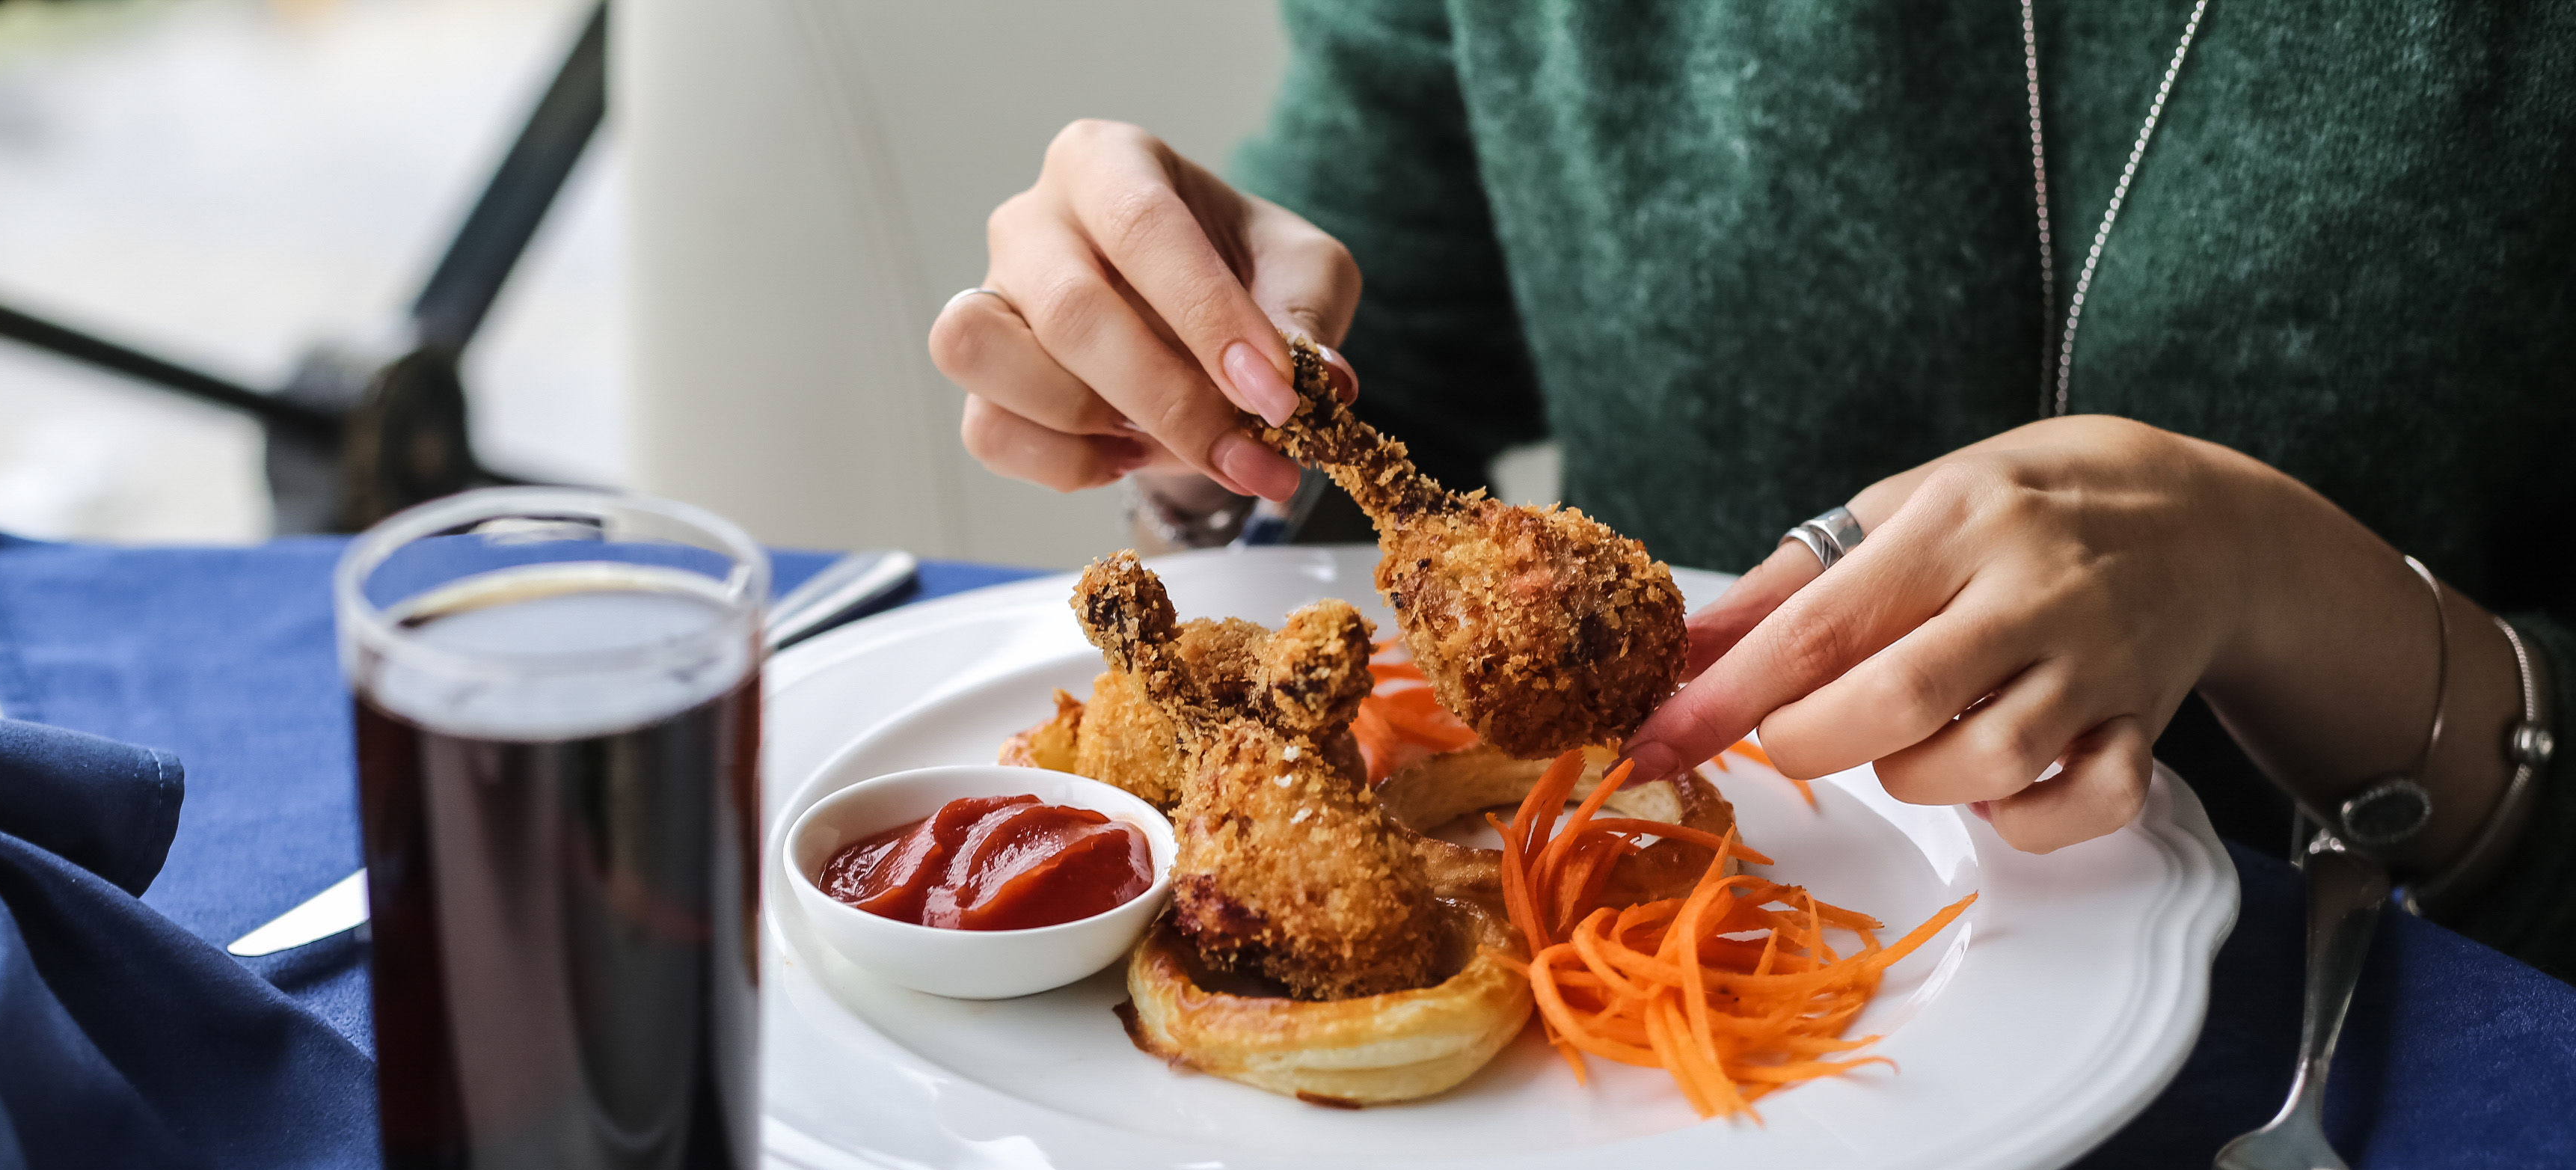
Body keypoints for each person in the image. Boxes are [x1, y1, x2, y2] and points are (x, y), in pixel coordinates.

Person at [927, 0, 2574, 978]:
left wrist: (2276, 584)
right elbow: (1388, 336)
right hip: (1655, 1062)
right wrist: (1179, 377)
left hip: (2397, 1071)